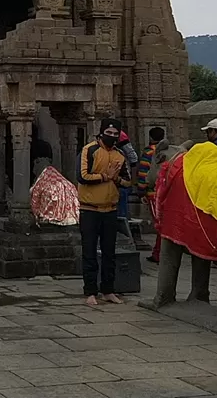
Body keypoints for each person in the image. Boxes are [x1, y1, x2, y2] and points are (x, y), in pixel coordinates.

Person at [78, 118, 132, 307]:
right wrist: (105, 176)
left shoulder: (119, 155)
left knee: (110, 252)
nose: (111, 137)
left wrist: (116, 179)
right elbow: (83, 176)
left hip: (110, 209)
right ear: (101, 133)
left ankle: (108, 290)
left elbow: (127, 182)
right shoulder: (90, 150)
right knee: (89, 252)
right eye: (108, 133)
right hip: (89, 209)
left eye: (115, 134)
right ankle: (90, 292)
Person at [137, 127, 166, 263]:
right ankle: (159, 252)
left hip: (154, 193)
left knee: (159, 224)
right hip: (166, 191)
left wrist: (141, 190)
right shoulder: (169, 151)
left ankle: (159, 254)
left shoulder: (150, 152)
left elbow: (144, 172)